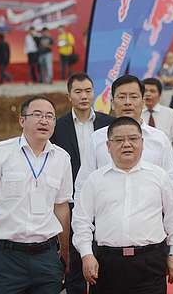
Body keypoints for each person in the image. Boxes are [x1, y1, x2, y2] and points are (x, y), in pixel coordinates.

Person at [0, 96, 73, 294]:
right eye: (37, 115)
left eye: (50, 116)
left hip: (47, 256)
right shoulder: (0, 153)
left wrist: (65, 251)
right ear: (22, 120)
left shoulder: (62, 158)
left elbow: (61, 207)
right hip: (9, 257)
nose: (44, 120)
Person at [72, 117, 173, 294]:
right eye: (119, 140)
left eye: (133, 139)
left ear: (142, 143)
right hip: (107, 263)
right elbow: (81, 221)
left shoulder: (159, 176)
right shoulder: (95, 180)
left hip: (150, 261)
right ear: (108, 146)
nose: (127, 144)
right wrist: (86, 254)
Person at [50, 72, 114, 294]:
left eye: (88, 91)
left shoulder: (110, 123)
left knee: (105, 262)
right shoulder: (58, 127)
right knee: (75, 265)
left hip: (106, 200)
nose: (84, 96)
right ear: (69, 96)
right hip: (71, 202)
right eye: (78, 92)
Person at [75, 75, 173, 200]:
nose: (127, 102)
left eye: (134, 97)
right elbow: (83, 185)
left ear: (143, 103)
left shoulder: (159, 139)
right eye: (121, 97)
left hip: (150, 217)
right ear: (112, 103)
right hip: (107, 216)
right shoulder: (97, 138)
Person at [142, 77, 173, 146]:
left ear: (160, 95)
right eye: (145, 91)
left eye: (152, 91)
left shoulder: (170, 113)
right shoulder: (137, 113)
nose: (148, 94)